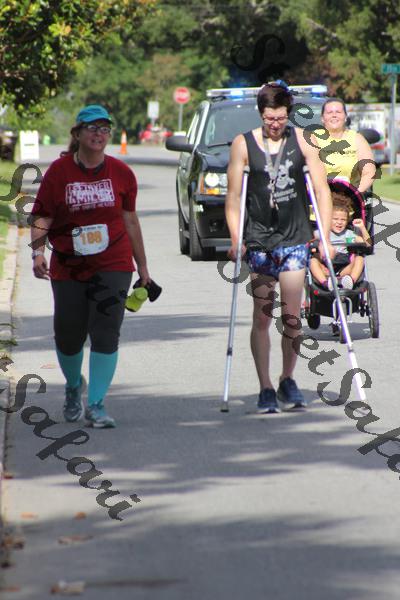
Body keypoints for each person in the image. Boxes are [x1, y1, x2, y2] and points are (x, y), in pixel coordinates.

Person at [30, 104, 151, 428]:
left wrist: (143, 268)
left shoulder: (122, 173)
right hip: (68, 265)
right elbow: (43, 215)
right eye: (92, 128)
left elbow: (130, 221)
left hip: (113, 262)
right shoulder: (59, 172)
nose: (99, 134)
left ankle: (96, 404)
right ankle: (73, 386)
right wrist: (37, 253)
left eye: (104, 128)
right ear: (78, 133)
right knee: (68, 334)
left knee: (106, 331)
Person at [225, 82, 333, 414]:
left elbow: (321, 190)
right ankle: (265, 387)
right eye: (270, 118)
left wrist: (325, 236)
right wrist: (236, 238)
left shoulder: (303, 141)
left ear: (289, 114)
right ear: (261, 114)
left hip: (295, 238)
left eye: (281, 118)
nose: (275, 124)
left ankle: (287, 378)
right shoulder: (243, 144)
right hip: (259, 241)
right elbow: (233, 198)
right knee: (261, 315)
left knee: (291, 318)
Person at [310, 190, 371, 290]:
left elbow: (368, 244)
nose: (339, 222)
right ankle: (326, 283)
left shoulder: (348, 235)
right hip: (325, 268)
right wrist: (312, 246)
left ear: (347, 221)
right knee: (313, 260)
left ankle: (351, 280)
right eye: (335, 219)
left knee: (360, 259)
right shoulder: (321, 233)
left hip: (344, 269)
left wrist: (362, 228)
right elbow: (308, 241)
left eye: (343, 220)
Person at [315, 98, 376, 193]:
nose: (334, 115)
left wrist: (356, 194)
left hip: (350, 197)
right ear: (322, 118)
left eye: (338, 112)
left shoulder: (357, 139)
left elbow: (369, 172)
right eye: (329, 112)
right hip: (318, 197)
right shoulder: (313, 139)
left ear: (345, 116)